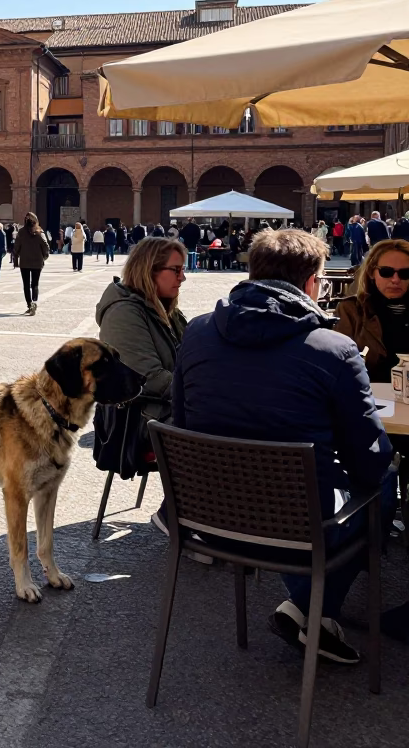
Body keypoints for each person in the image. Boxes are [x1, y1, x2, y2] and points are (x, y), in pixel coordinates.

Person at [173, 228, 395, 665]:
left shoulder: (196, 332)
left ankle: (306, 606)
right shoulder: (335, 349)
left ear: (252, 273)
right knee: (384, 484)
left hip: (210, 521)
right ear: (312, 282)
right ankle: (313, 608)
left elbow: (181, 422)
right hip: (298, 531)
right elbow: (369, 461)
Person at [95, 237, 188, 511]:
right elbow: (149, 378)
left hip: (165, 407)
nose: (183, 278)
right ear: (150, 270)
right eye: (176, 270)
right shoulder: (124, 313)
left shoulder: (165, 308)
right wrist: (203, 392)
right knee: (219, 429)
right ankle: (180, 513)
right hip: (136, 419)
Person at [335, 238, 409, 382]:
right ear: (371, 272)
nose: (395, 280)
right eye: (386, 272)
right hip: (367, 392)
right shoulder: (351, 310)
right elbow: (337, 363)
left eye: (405, 273)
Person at [16, 211, 49, 315]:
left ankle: (29, 304)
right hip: (37, 262)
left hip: (24, 262)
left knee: (26, 285)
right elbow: (46, 246)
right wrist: (44, 257)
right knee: (35, 284)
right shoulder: (39, 232)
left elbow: (16, 247)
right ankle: (34, 302)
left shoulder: (21, 232)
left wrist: (18, 255)